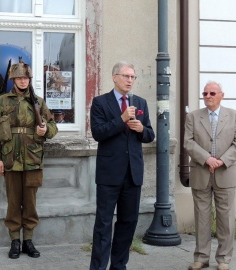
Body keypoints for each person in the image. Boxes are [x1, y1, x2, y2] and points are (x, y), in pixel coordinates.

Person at [0, 58, 58, 259]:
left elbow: (53, 127)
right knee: (13, 202)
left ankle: (28, 240)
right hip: (10, 160)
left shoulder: (38, 102)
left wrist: (45, 130)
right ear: (13, 79)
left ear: (29, 79)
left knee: (30, 203)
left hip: (33, 159)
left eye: (26, 77)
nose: (23, 81)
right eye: (19, 77)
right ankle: (14, 241)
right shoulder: (1, 102)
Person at [89, 61, 155, 270]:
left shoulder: (141, 102)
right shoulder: (100, 102)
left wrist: (140, 129)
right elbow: (98, 133)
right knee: (103, 225)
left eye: (132, 77)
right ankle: (98, 267)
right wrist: (122, 119)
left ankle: (119, 266)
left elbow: (150, 135)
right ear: (114, 77)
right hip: (109, 175)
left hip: (132, 174)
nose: (129, 80)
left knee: (128, 224)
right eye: (125, 76)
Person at [184, 81, 236, 270]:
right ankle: (201, 257)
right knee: (201, 217)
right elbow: (188, 142)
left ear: (221, 95)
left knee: (225, 218)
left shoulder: (234, 116)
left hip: (225, 172)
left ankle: (224, 258)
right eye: (205, 93)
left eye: (212, 93)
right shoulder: (193, 116)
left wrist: (221, 161)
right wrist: (207, 159)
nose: (208, 96)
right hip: (201, 172)